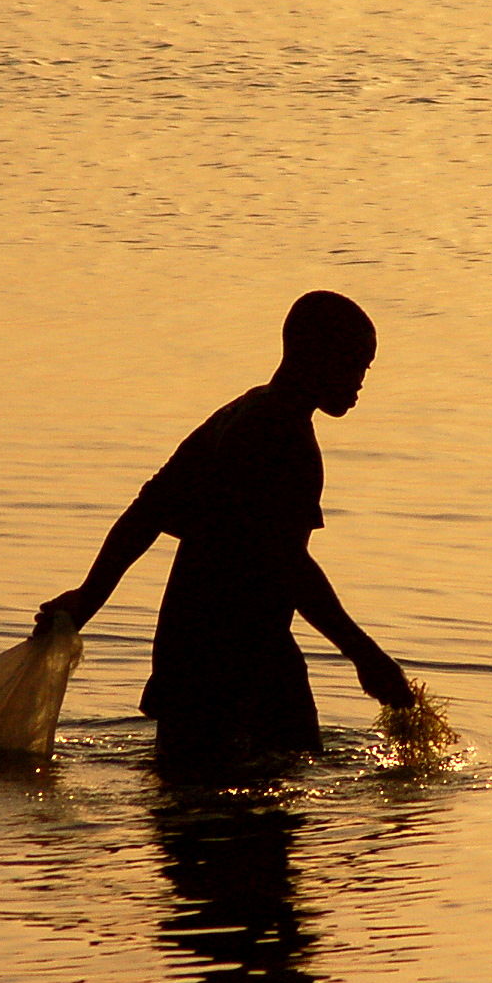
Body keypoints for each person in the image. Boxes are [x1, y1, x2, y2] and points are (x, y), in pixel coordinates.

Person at [39, 290, 414, 776]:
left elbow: (147, 511)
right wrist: (367, 656)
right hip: (239, 654)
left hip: (190, 642)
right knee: (265, 793)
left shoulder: (241, 413)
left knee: (190, 794)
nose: (361, 380)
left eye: (366, 367)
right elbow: (288, 566)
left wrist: (90, 596)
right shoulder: (281, 436)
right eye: (354, 364)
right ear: (312, 355)